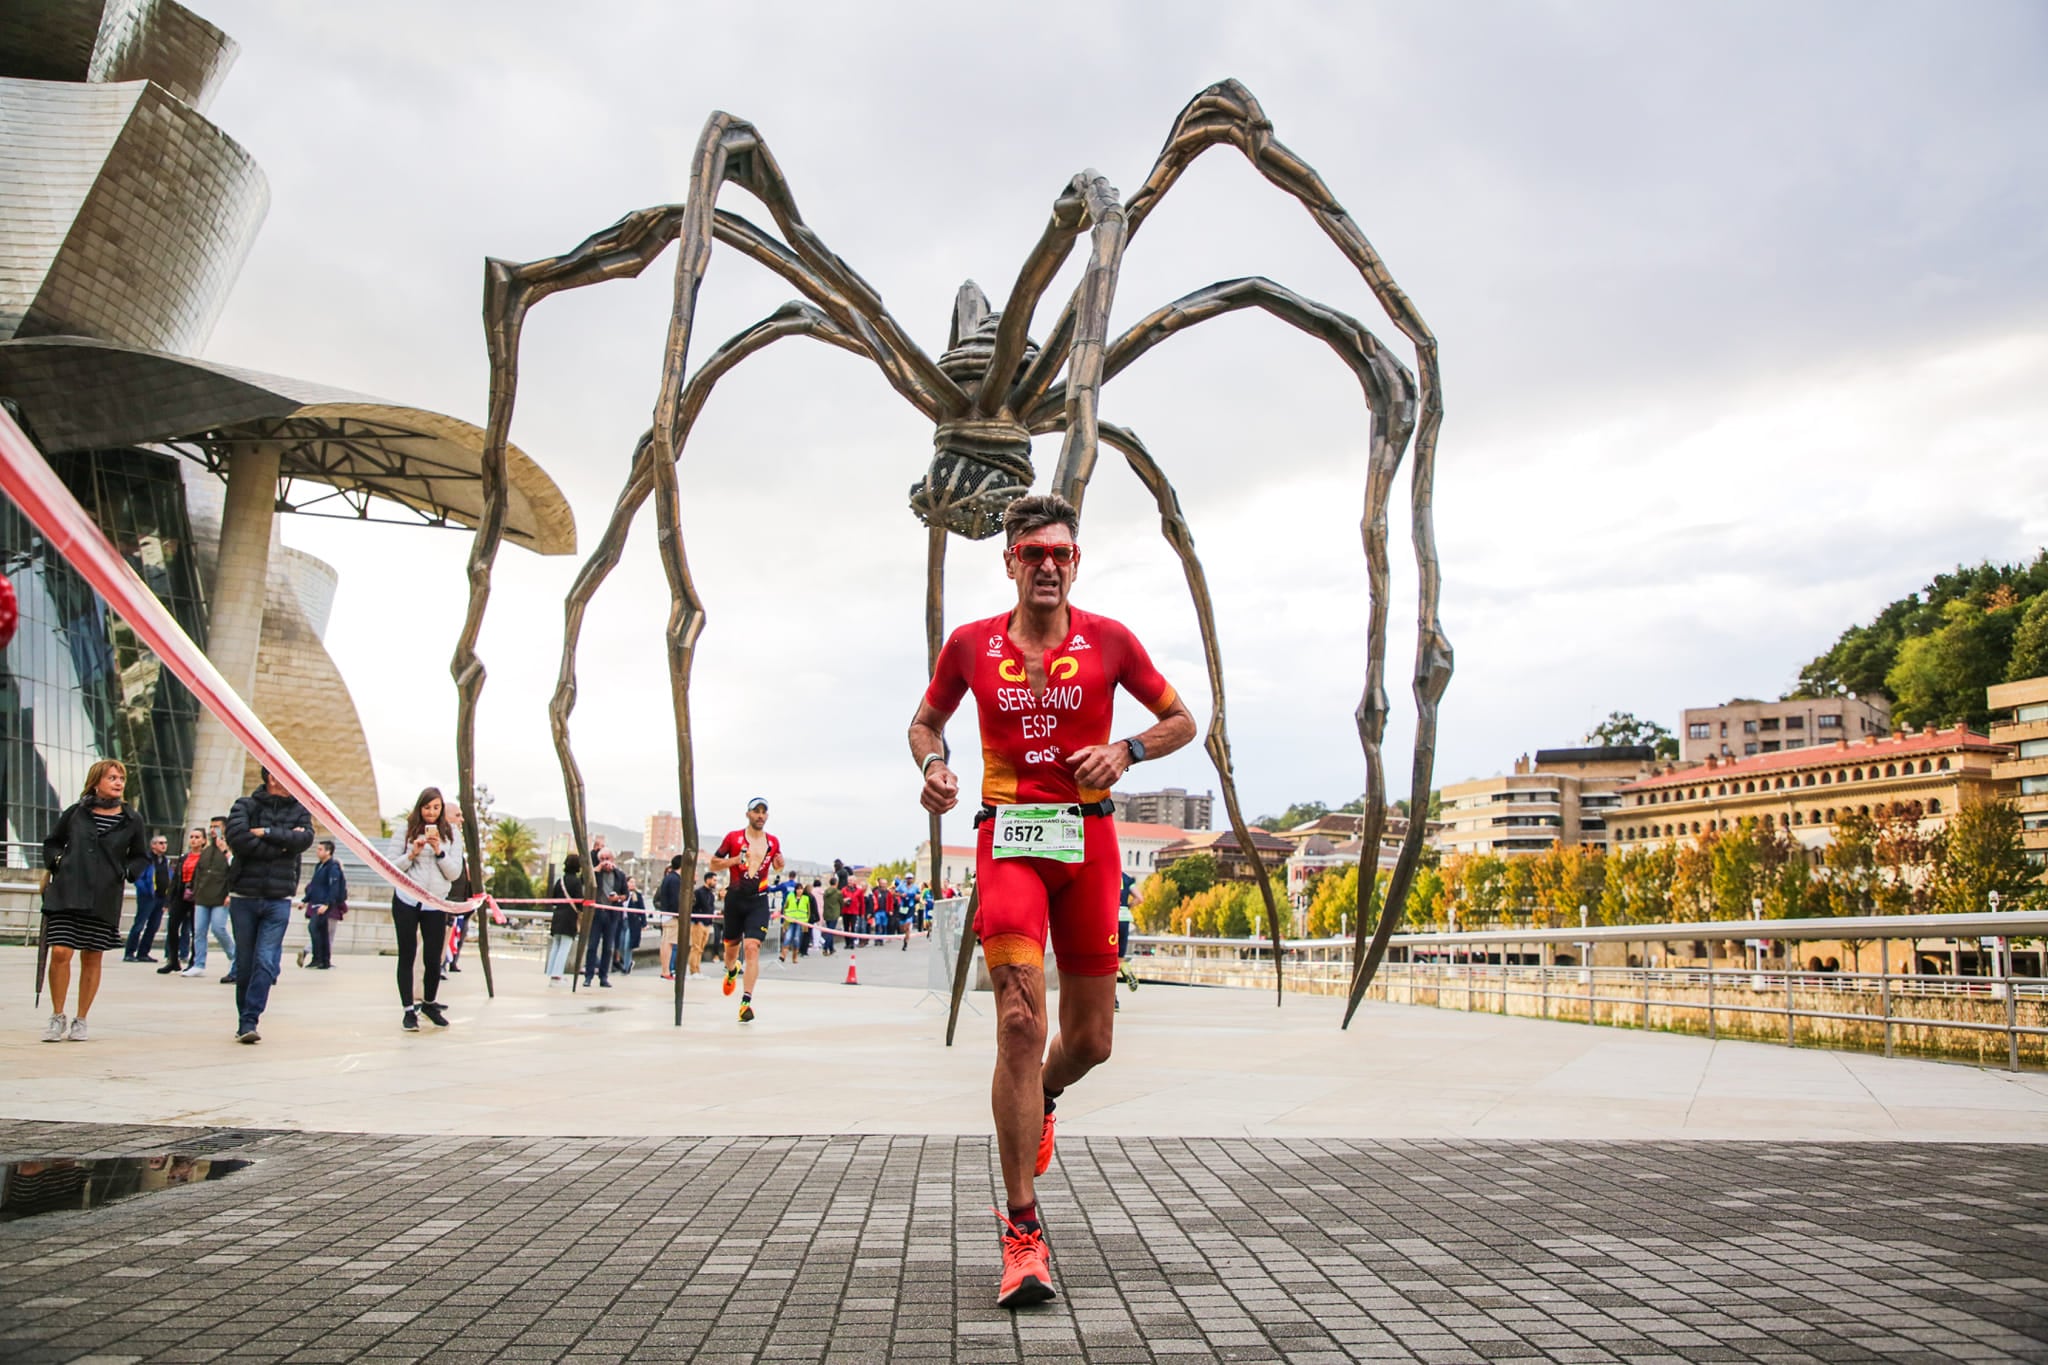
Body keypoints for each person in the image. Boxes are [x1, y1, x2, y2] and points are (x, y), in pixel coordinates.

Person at [908, 492, 1195, 1309]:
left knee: (1092, 1039)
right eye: (1031, 553)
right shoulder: (970, 645)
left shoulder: (1110, 641)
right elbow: (925, 722)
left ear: (1076, 561)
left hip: (1090, 844)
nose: (1046, 565)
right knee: (1018, 1021)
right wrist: (933, 767)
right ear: (1008, 562)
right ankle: (1023, 1234)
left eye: (1060, 554)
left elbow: (1183, 718)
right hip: (1009, 841)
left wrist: (1127, 748)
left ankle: (1049, 1096)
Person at [38, 759, 149, 1041]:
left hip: (103, 895)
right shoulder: (75, 813)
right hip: (67, 890)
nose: (118, 782)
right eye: (112, 777)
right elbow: (52, 842)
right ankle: (57, 1015)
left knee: (92, 955)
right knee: (61, 952)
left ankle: (81, 1019)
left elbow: (140, 855)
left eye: (121, 778)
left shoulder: (131, 819)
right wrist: (58, 861)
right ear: (96, 781)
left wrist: (126, 873)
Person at [225, 766, 316, 1044]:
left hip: (278, 898)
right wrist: (282, 845)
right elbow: (238, 839)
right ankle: (244, 1020)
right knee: (245, 962)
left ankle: (250, 1018)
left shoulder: (300, 810)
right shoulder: (245, 805)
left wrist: (264, 832)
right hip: (244, 896)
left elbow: (304, 839)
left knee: (265, 961)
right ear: (271, 777)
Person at [390, 787, 464, 1030]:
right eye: (427, 807)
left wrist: (439, 851)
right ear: (419, 808)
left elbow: (454, 873)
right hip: (407, 899)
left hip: (435, 902)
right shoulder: (405, 830)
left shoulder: (451, 833)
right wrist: (412, 854)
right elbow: (391, 867)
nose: (431, 813)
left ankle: (430, 1003)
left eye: (436, 807)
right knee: (407, 954)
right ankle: (408, 1009)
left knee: (433, 958)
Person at [712, 797, 783, 1022]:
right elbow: (713, 863)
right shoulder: (733, 838)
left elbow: (778, 865)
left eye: (764, 812)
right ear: (748, 815)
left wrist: (780, 864)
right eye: (756, 811)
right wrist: (735, 860)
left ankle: (746, 1003)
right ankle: (731, 970)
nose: (760, 815)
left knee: (752, 947)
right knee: (730, 951)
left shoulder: (772, 842)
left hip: (758, 901)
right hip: (734, 899)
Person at [185, 817, 235, 980]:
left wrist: (230, 893)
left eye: (217, 827)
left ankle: (234, 956)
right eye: (212, 827)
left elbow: (235, 870)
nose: (213, 830)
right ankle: (198, 963)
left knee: (218, 928)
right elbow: (199, 873)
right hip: (203, 897)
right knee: (199, 931)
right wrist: (196, 891)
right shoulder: (207, 851)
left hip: (221, 897)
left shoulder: (231, 848)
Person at [159, 829, 203, 975]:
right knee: (172, 926)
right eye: (191, 837)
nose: (194, 840)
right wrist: (168, 901)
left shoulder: (205, 858)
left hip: (197, 895)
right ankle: (172, 959)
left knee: (196, 930)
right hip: (181, 893)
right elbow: (175, 880)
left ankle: (194, 961)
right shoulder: (184, 858)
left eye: (197, 837)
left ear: (203, 840)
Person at [123, 833, 172, 964]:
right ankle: (129, 952)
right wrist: (146, 891)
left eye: (165, 843)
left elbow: (169, 877)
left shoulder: (166, 861)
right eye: (161, 843)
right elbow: (138, 878)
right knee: (139, 924)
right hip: (148, 897)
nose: (164, 845)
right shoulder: (146, 859)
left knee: (153, 926)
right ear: (153, 845)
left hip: (161, 897)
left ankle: (143, 953)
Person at [302, 839, 347, 970]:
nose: (317, 852)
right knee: (320, 931)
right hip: (317, 903)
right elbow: (315, 886)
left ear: (328, 852)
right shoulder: (319, 866)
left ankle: (320, 959)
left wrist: (328, 903)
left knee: (314, 928)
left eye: (320, 849)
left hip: (324, 904)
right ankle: (321, 960)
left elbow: (334, 886)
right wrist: (305, 900)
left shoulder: (333, 867)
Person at [584, 849, 626, 987]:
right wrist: (597, 869)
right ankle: (588, 976)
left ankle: (603, 976)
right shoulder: (596, 873)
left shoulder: (619, 875)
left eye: (607, 858)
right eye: (602, 859)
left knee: (608, 947)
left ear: (613, 859)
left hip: (612, 915)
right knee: (592, 946)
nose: (605, 861)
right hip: (597, 913)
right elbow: (585, 881)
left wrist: (617, 898)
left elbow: (625, 894)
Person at [544, 854, 584, 984]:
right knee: (565, 947)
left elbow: (553, 898)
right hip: (569, 917)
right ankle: (557, 975)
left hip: (558, 915)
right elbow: (580, 902)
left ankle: (550, 972)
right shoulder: (576, 882)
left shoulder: (560, 880)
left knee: (556, 945)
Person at [655, 856, 684, 979]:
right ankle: (666, 970)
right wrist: (679, 913)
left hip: (666, 914)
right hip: (672, 916)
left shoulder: (669, 878)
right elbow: (674, 899)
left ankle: (665, 969)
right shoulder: (675, 880)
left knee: (666, 942)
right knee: (669, 943)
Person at [690, 869, 719, 974]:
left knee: (701, 948)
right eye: (714, 880)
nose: (715, 883)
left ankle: (698, 969)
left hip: (707, 924)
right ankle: (693, 970)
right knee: (696, 947)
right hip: (699, 923)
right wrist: (697, 920)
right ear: (708, 880)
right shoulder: (698, 892)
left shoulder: (711, 895)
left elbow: (710, 908)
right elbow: (693, 907)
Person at [780, 880, 812, 963]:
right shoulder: (790, 896)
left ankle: (795, 957)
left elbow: (808, 912)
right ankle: (783, 955)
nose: (799, 891)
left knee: (796, 938)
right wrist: (784, 920)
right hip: (790, 920)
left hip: (801, 922)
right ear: (795, 890)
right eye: (798, 889)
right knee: (788, 937)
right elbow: (785, 907)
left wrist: (806, 922)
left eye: (801, 889)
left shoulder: (806, 898)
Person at [820, 876, 843, 956]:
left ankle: (831, 948)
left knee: (829, 929)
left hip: (826, 913)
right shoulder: (838, 893)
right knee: (831, 932)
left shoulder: (826, 892)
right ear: (836, 883)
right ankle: (825, 948)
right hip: (834, 913)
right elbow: (841, 902)